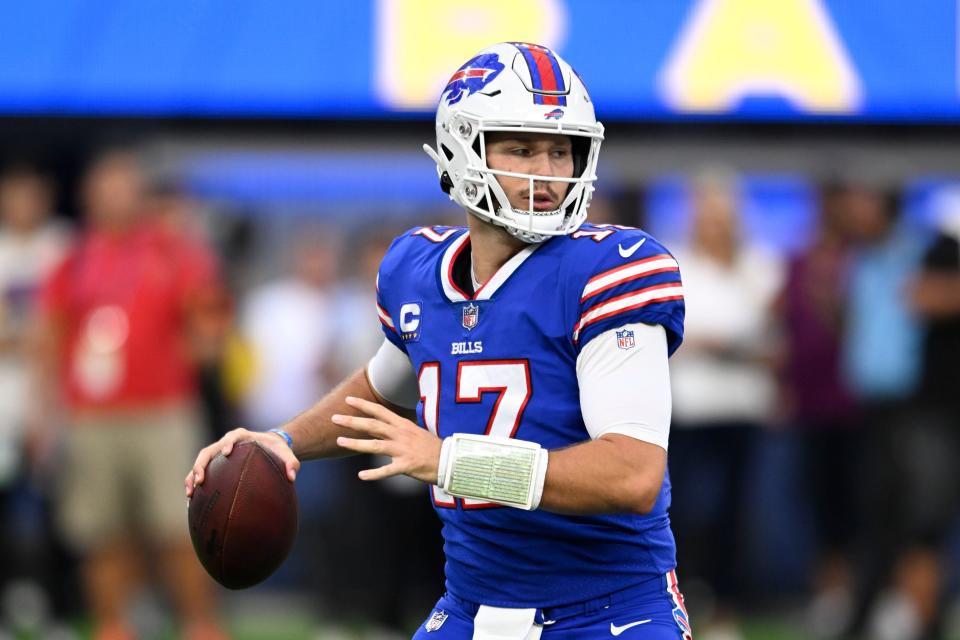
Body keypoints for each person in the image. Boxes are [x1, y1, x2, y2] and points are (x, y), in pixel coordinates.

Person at [187, 42, 690, 640]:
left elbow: (633, 476)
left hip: (606, 610)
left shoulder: (610, 271)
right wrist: (282, 441)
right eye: (522, 148)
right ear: (462, 148)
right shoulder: (417, 271)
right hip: (471, 606)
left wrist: (452, 460)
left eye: (562, 150)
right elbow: (380, 391)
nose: (549, 173)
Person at [34, 149, 226, 640]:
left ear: (139, 195)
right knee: (101, 533)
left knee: (177, 528)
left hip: (162, 412)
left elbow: (209, 320)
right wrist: (44, 415)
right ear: (88, 196)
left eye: (124, 187)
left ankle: (199, 626)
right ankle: (112, 626)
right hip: (92, 416)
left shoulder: (173, 251)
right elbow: (50, 339)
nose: (115, 197)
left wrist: (201, 341)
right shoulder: (72, 259)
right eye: (105, 187)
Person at [665, 170, 783, 639]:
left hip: (743, 409)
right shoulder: (676, 261)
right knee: (688, 511)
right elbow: (672, 339)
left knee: (738, 512)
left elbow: (774, 345)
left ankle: (726, 606)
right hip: (690, 410)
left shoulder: (759, 264)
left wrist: (723, 346)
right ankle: (686, 600)